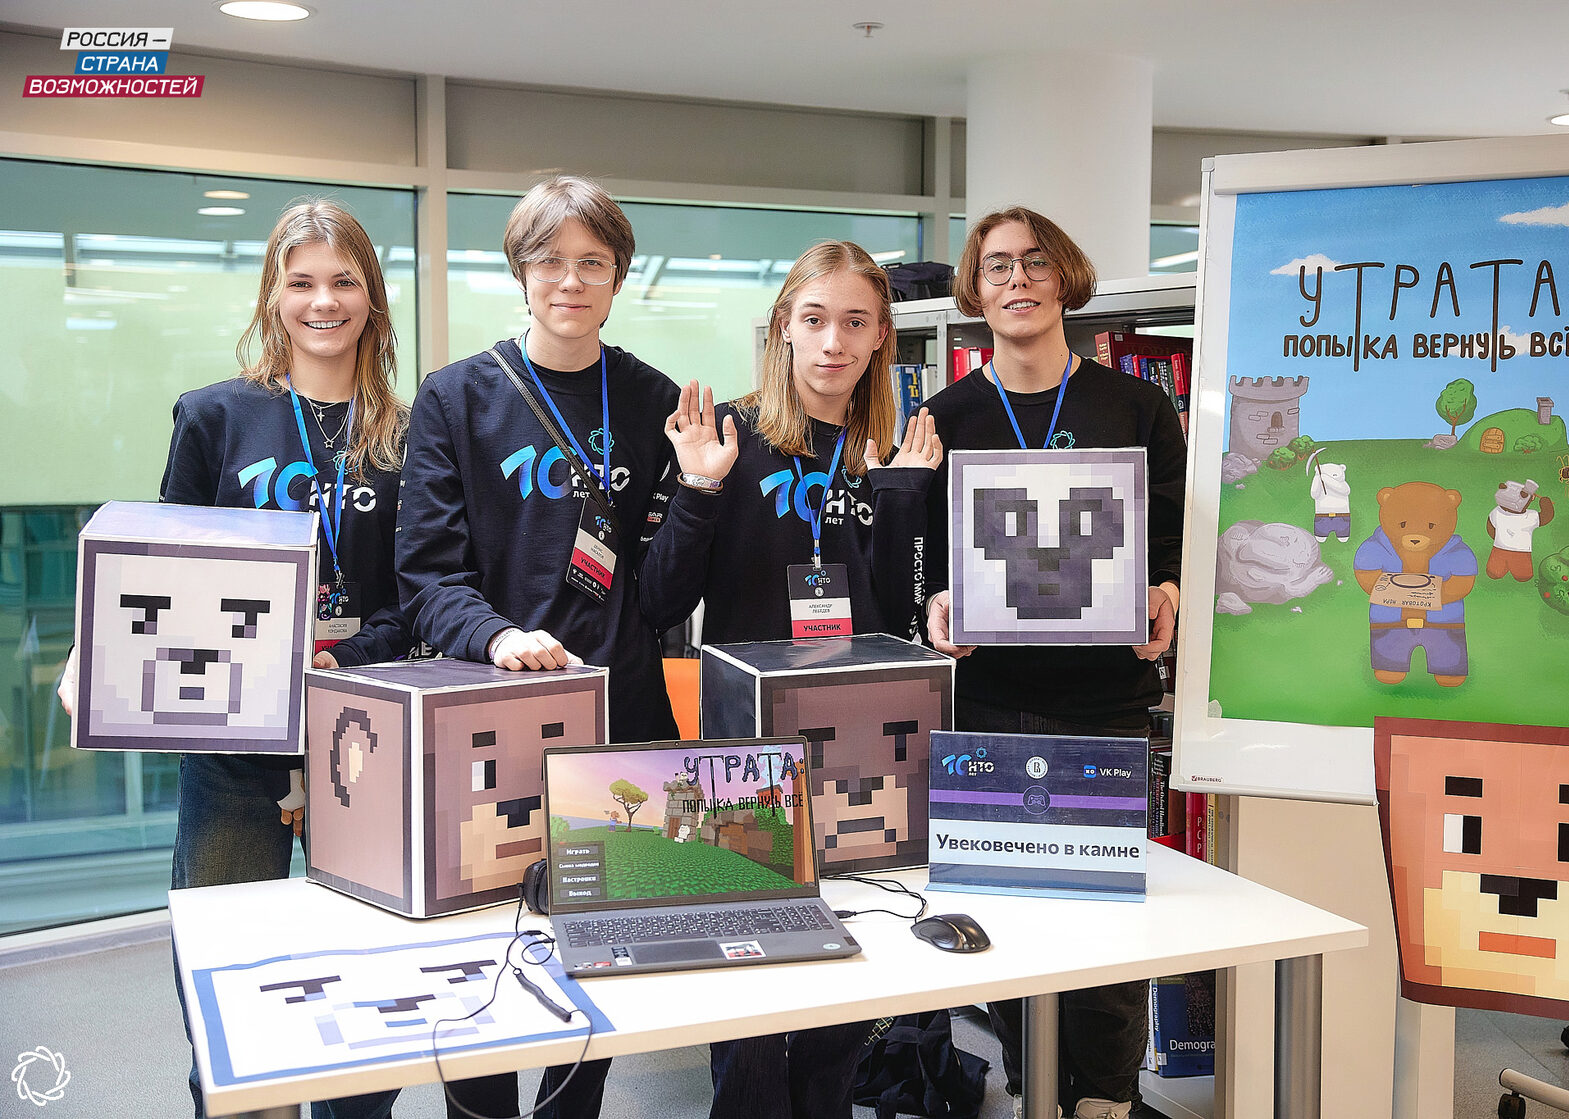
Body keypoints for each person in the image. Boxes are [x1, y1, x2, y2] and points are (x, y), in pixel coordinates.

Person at [60, 199, 411, 1119]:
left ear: (372, 297)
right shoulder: (215, 416)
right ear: (273, 295)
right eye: (302, 282)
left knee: (368, 1000)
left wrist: (342, 659)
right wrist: (92, 651)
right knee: (229, 1001)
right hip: (230, 743)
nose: (323, 301)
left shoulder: (407, 435)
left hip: (360, 740)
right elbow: (160, 563)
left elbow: (416, 594)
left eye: (344, 281)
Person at [396, 173, 735, 1119]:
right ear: (521, 270)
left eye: (593, 262)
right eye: (551, 261)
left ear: (619, 276)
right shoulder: (455, 398)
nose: (571, 280)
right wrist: (497, 634)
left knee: (601, 958)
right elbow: (426, 574)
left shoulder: (655, 400)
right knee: (483, 956)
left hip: (619, 721)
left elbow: (661, 596)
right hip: (490, 719)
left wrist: (701, 492)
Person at [640, 239, 942, 1119]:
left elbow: (899, 619)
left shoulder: (886, 450)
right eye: (814, 319)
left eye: (854, 322)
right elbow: (659, 599)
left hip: (856, 750)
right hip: (744, 754)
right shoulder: (728, 437)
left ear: (882, 336)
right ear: (782, 326)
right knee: (749, 988)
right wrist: (698, 491)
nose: (833, 343)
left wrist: (902, 495)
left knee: (845, 974)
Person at [921, 207, 1185, 1119]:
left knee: (1105, 922)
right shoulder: (944, 417)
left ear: (1066, 277)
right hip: (988, 701)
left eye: (1035, 262)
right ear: (974, 288)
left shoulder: (1136, 406)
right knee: (1005, 919)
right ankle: (1035, 1087)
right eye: (997, 266)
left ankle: (1106, 1097)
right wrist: (935, 604)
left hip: (1105, 699)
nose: (1018, 280)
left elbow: (1172, 536)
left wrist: (1168, 591)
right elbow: (924, 557)